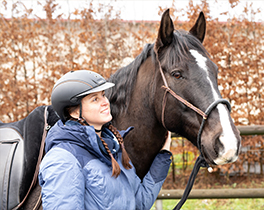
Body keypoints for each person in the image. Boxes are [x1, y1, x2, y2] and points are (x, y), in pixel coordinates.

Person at [38, 70, 172, 210]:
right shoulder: (63, 160)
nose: (105, 102)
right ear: (75, 112)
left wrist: (162, 158)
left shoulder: (113, 148)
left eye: (103, 95)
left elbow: (138, 203)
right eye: (95, 99)